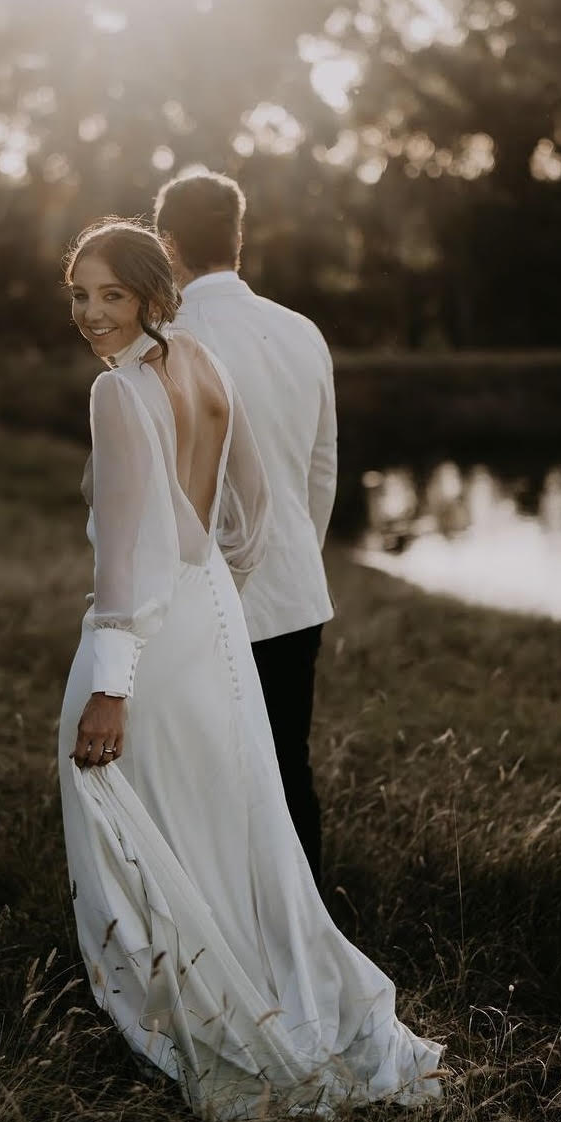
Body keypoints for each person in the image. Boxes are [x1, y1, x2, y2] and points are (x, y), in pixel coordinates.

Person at [58, 218, 442, 1121]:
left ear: (155, 293)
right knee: (222, 819)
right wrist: (212, 586)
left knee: (137, 823)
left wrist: (110, 679)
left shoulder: (117, 396)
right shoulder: (203, 363)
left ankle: (196, 1015)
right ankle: (258, 988)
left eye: (110, 294)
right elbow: (257, 506)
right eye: (78, 295)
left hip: (146, 638)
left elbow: (120, 558)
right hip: (211, 617)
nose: (90, 313)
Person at [155, 168, 335, 886]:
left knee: (203, 774)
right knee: (289, 765)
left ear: (168, 244)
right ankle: (305, 927)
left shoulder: (168, 342)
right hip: (295, 589)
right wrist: (293, 558)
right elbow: (321, 467)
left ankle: (223, 936)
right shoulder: (302, 331)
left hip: (203, 595)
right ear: (238, 237)